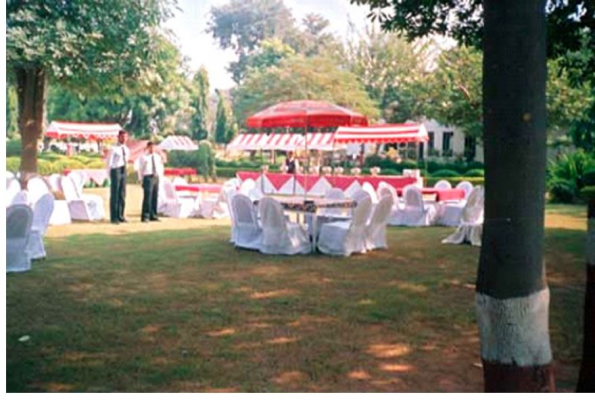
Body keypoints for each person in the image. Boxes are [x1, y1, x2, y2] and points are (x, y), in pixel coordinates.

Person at [136, 142, 164, 223]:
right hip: (147, 177)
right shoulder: (144, 157)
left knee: (154, 197)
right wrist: (140, 179)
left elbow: (160, 167)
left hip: (155, 177)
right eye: (150, 147)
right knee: (147, 197)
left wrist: (160, 176)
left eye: (153, 147)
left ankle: (153, 215)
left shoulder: (157, 157)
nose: (152, 149)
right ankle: (145, 216)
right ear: (147, 148)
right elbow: (140, 169)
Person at [107, 130, 130, 224]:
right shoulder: (113, 149)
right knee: (115, 194)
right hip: (115, 170)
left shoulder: (127, 149)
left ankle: (121, 215)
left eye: (125, 137)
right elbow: (109, 163)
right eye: (122, 137)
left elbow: (127, 160)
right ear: (118, 137)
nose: (124, 139)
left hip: (123, 170)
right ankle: (114, 217)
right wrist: (109, 175)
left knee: (122, 194)